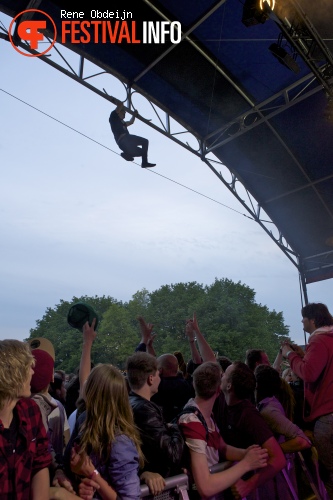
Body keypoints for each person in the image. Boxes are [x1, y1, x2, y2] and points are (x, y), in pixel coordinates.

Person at [178, 361, 268, 499]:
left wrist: (246, 454)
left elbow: (221, 446)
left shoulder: (206, 416)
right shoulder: (192, 422)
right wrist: (246, 463)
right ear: (219, 390)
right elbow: (205, 487)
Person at [281, 302, 333, 497]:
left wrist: (289, 354)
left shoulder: (319, 341)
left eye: (304, 317)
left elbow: (310, 373)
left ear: (313, 320)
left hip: (327, 417)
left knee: (329, 476)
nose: (301, 320)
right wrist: (302, 356)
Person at [69, 363, 143, 499]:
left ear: (94, 391)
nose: (84, 384)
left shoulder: (120, 442)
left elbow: (130, 498)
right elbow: (69, 461)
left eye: (89, 381)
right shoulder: (84, 419)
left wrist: (93, 475)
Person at [218, 361, 286, 499]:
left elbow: (279, 459)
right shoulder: (223, 401)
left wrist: (248, 484)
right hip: (227, 481)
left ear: (229, 385)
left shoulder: (248, 415)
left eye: (225, 373)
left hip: (244, 489)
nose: (221, 374)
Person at [0, 339, 52, 499]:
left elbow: (40, 462)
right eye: (29, 367)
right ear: (13, 372)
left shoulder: (31, 410)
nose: (32, 373)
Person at [126, 351, 184, 477]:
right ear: (151, 379)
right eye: (158, 375)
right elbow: (173, 454)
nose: (160, 378)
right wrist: (174, 427)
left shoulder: (127, 403)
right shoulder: (146, 410)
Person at [109, 102, 156, 168]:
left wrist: (134, 115)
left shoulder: (123, 123)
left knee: (143, 152)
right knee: (145, 141)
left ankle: (127, 154)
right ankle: (142, 161)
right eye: (123, 112)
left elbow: (131, 122)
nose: (125, 114)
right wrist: (116, 102)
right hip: (125, 139)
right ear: (119, 112)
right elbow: (120, 104)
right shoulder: (113, 117)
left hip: (125, 145)